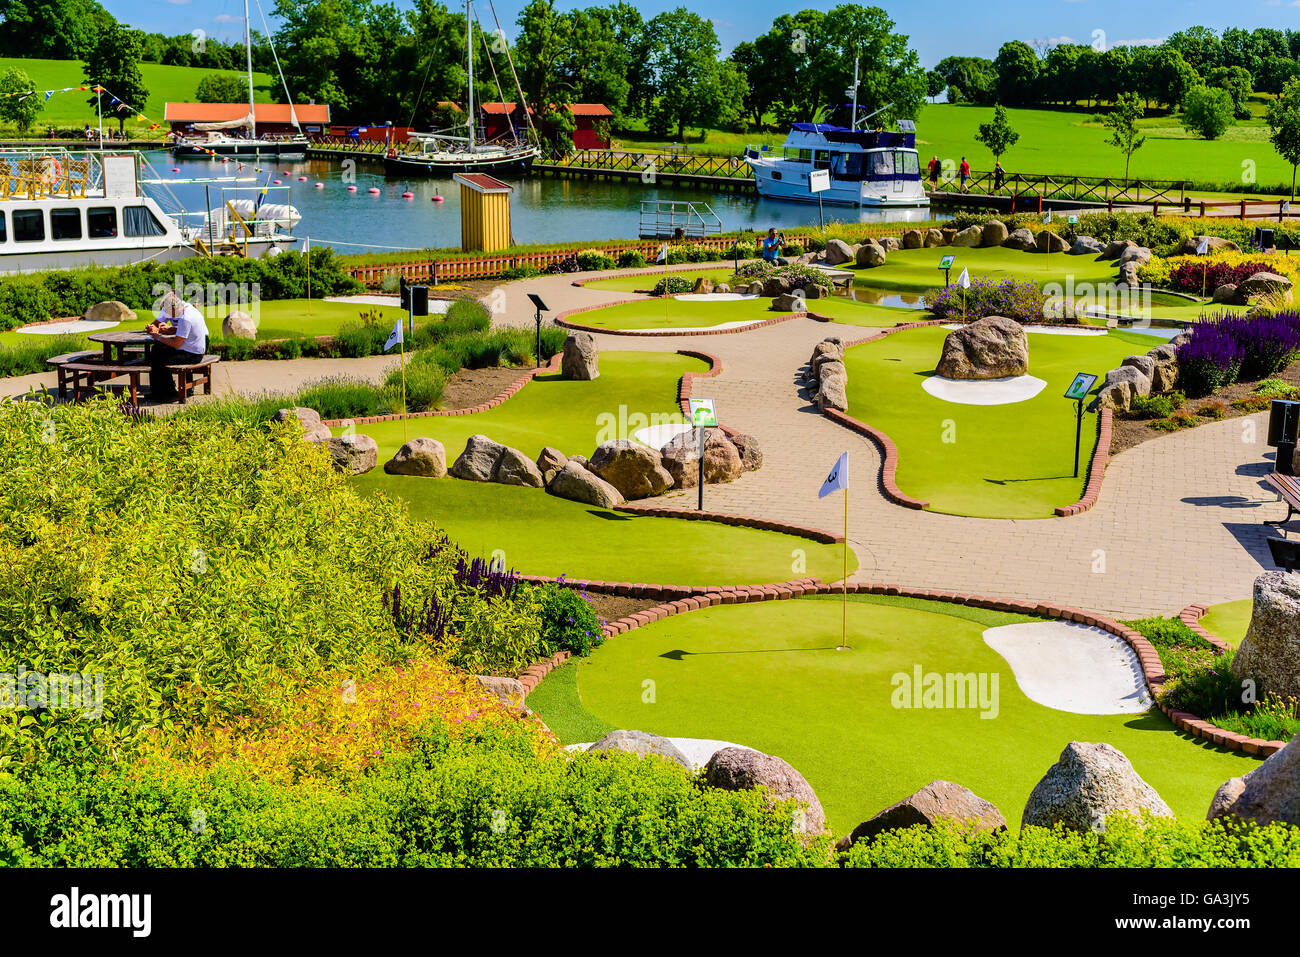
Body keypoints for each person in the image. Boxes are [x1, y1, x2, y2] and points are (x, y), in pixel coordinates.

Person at [146, 292, 208, 403]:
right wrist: (164, 332)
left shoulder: (186, 318)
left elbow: (176, 343)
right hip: (191, 348)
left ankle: (169, 393)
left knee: (160, 360)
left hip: (193, 354)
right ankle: (158, 392)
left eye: (169, 312)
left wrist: (157, 336)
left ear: (174, 309)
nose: (169, 315)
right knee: (156, 351)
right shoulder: (188, 311)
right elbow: (180, 334)